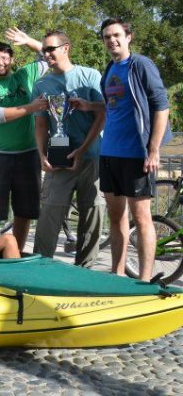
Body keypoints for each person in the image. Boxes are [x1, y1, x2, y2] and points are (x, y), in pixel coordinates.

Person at [75, 18, 172, 281]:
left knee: (142, 219)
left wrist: (153, 150)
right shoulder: (110, 68)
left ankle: (143, 279)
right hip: (110, 153)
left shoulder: (140, 65)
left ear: (128, 36)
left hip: (136, 154)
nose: (111, 40)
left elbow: (161, 106)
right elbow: (111, 106)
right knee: (116, 218)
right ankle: (116, 274)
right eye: (107, 37)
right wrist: (88, 105)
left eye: (116, 35)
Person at [30, 30, 105, 267]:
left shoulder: (90, 76)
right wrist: (42, 155)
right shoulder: (41, 84)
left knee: (92, 215)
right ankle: (41, 268)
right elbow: (41, 123)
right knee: (49, 214)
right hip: (59, 160)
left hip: (91, 157)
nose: (47, 53)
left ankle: (85, 272)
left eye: (51, 48)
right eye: (44, 50)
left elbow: (101, 114)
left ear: (65, 48)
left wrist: (82, 150)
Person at [0, 29, 48, 251]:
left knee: (25, 211)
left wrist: (28, 41)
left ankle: (13, 253)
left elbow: (49, 56)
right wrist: (30, 108)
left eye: (5, 58)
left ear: (12, 60)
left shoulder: (25, 75)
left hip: (28, 154)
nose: (1, 62)